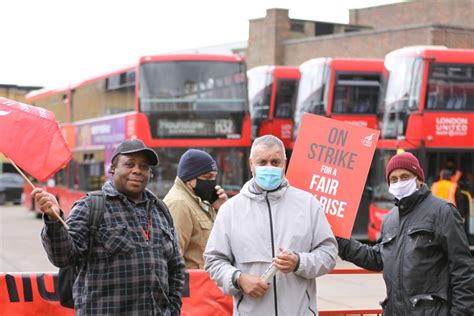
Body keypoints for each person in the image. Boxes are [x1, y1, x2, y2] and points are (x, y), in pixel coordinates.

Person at [32, 139, 185, 315]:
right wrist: (53, 219)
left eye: (144, 166)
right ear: (113, 169)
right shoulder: (91, 206)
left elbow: (176, 268)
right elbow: (63, 257)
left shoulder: (160, 210)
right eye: (129, 164)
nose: (137, 170)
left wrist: (172, 310)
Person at [204, 135, 338, 315]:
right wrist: (238, 279)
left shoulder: (308, 204)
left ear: (285, 163)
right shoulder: (231, 210)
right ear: (251, 164)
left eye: (275, 162)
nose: (269, 167)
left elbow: (328, 254)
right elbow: (213, 260)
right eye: (262, 162)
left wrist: (299, 262)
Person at [337, 152, 474, 315]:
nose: (399, 182)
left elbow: (463, 269)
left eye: (405, 176)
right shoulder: (390, 219)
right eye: (393, 179)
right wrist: (339, 239)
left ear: (419, 179)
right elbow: (377, 258)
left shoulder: (443, 212)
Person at [164, 149, 228, 269]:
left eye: (214, 177)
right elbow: (173, 260)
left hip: (207, 283)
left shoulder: (199, 201)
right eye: (207, 177)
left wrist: (222, 209)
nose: (212, 183)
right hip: (194, 285)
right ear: (189, 178)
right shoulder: (179, 204)